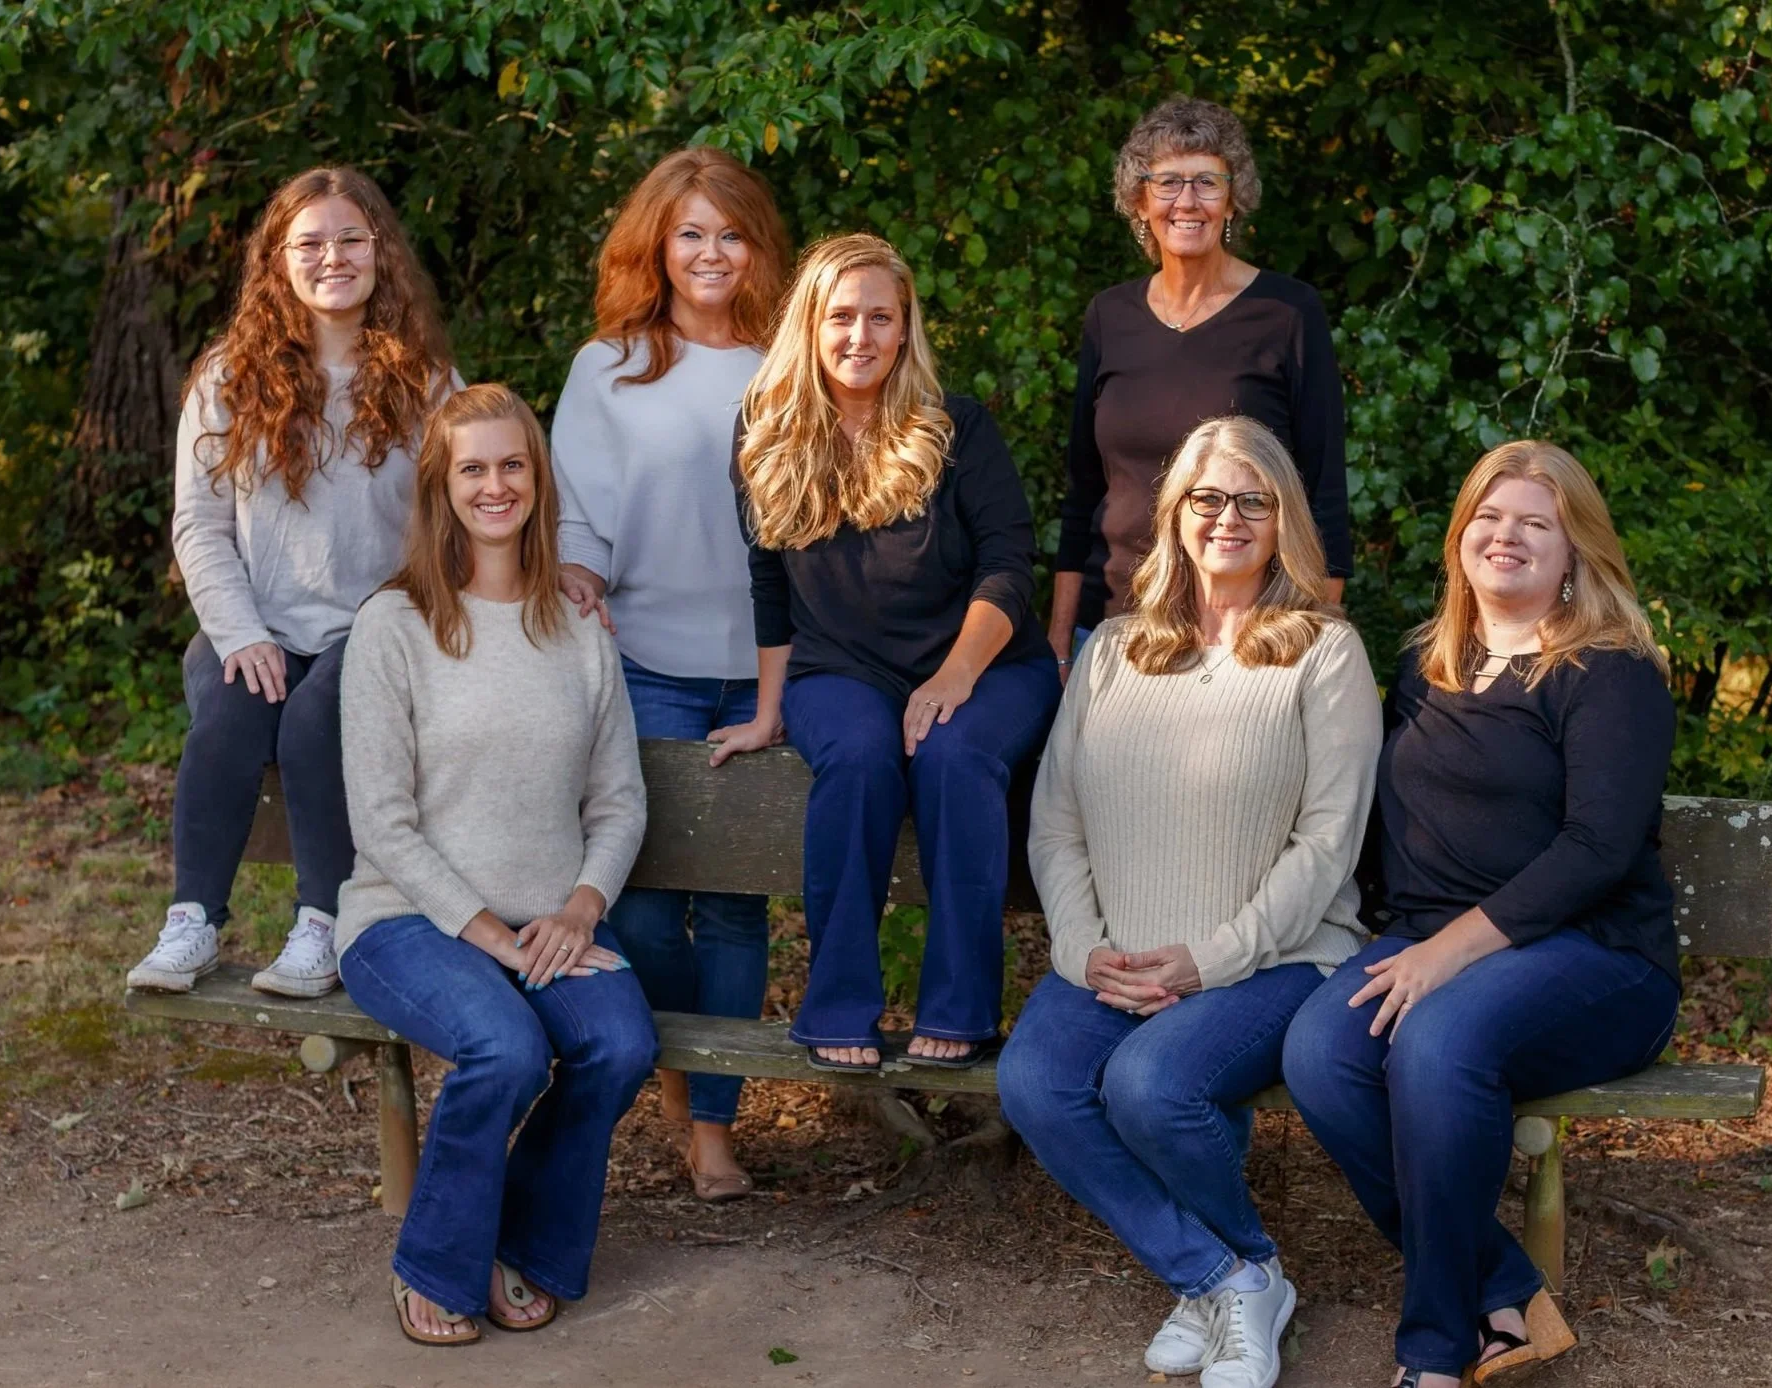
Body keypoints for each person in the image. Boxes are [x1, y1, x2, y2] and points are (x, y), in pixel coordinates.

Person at [1282, 441, 1681, 1388]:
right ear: (1461, 537)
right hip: (1437, 946)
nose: (1507, 538)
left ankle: (1436, 1349)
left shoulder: (1609, 671)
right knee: (1320, 1053)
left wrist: (1448, 954)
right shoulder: (1432, 663)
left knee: (1437, 1042)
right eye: (1489, 519)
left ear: (1575, 548)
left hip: (1596, 960)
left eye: (1535, 524)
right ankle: (1504, 1285)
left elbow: (1598, 849)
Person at [998, 417, 1380, 1388]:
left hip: (1274, 956)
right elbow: (1056, 819)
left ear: (1283, 519)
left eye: (1253, 498)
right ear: (1172, 515)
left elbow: (1326, 842)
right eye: (1207, 496)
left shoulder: (1324, 652)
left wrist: (1206, 958)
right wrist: (1083, 946)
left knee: (1151, 1083)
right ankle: (1228, 1274)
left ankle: (1218, 1282)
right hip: (1114, 955)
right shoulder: (1115, 648)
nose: (1228, 516)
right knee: (1036, 1082)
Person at [334, 384, 656, 1346]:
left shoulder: (576, 630)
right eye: (472, 467)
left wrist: (581, 909)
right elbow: (381, 822)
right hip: (408, 920)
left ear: (537, 476)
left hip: (545, 922)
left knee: (619, 1043)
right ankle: (436, 1261)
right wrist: (492, 938)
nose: (495, 484)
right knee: (506, 1047)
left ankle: (520, 1242)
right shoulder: (393, 626)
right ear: (441, 484)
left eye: (512, 464)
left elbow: (620, 799)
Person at [709, 233, 1060, 1071]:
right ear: (811, 325)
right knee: (862, 759)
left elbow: (1010, 567)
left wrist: (954, 674)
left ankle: (962, 1010)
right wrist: (768, 711)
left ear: (905, 329)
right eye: (841, 317)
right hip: (842, 670)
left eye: (879, 316)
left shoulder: (954, 427)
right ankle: (836, 1008)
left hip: (987, 665)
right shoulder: (767, 434)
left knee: (953, 756)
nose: (859, 336)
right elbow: (769, 584)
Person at [130, 166, 455, 1000]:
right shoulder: (228, 379)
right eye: (309, 243)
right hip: (256, 621)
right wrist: (241, 632)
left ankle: (322, 925)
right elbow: (198, 525)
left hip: (375, 625)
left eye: (351, 238)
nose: (332, 257)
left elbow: (456, 519)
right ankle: (193, 920)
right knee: (229, 712)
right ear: (277, 260)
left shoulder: (425, 381)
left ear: (380, 250)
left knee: (316, 723)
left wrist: (397, 619)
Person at [549, 146, 790, 1203]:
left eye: (728, 232)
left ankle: (712, 1128)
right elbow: (579, 514)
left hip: (767, 667)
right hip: (644, 657)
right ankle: (674, 1075)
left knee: (735, 912)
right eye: (688, 232)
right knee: (643, 908)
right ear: (655, 244)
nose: (708, 252)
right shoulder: (606, 367)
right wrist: (577, 578)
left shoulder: (795, 358)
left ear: (756, 247)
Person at [1050, 96, 1352, 678]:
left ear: (1233, 198)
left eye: (1206, 182)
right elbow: (1083, 489)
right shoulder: (1108, 316)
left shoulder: (1287, 313)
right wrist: (1063, 635)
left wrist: (1322, 635)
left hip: (1246, 632)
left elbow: (1324, 490)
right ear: (1139, 200)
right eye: (1167, 183)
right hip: (1113, 624)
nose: (1186, 202)